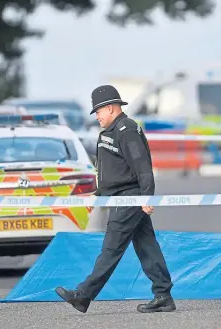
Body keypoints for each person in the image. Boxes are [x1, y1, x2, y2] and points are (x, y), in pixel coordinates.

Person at [55, 85, 176, 314]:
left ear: (109, 108)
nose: (97, 117)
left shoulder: (126, 130)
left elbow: (142, 167)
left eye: (98, 112)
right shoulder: (111, 131)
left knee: (111, 249)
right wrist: (98, 194)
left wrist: (146, 196)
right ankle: (163, 295)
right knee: (147, 247)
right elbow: (114, 172)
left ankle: (83, 295)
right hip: (122, 197)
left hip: (130, 198)